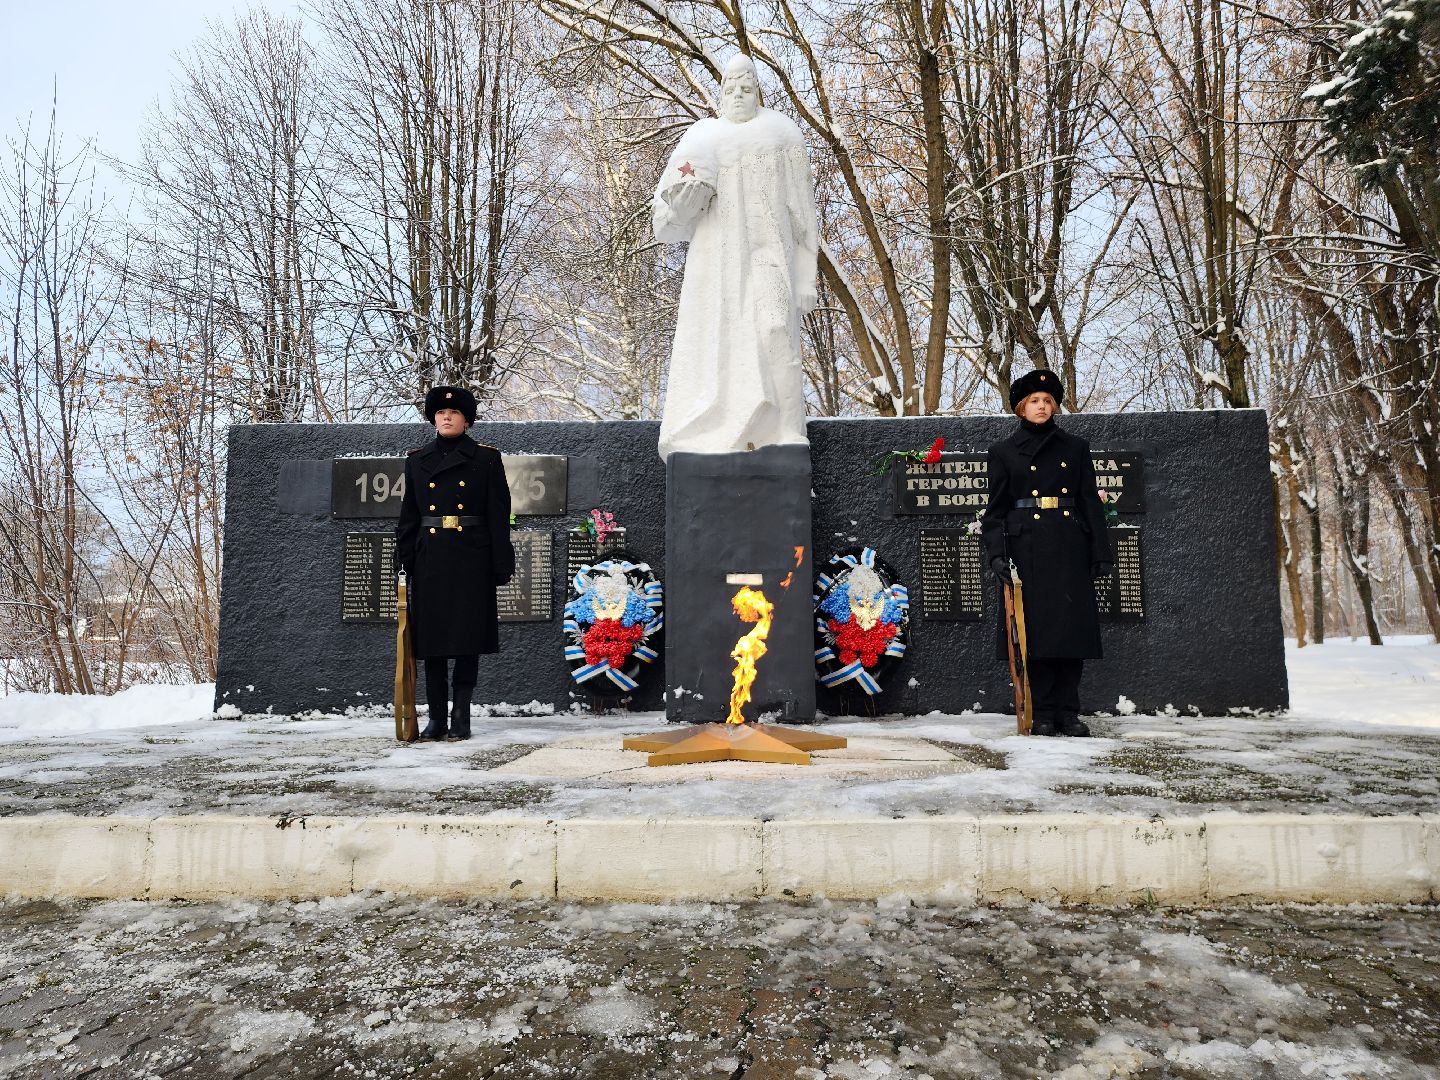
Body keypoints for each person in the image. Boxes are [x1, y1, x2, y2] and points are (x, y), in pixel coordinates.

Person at [653, 52, 818, 460]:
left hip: (769, 256)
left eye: (747, 88)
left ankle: (786, 431)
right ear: (721, 94)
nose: (740, 96)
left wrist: (806, 277)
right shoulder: (702, 138)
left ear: (758, 92)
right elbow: (665, 222)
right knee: (718, 346)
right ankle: (714, 434)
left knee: (776, 330)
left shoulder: (783, 134)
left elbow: (803, 215)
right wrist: (683, 202)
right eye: (732, 89)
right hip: (717, 266)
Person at [980, 370, 1113, 737]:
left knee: (1071, 633)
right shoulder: (1003, 452)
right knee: (1034, 634)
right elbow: (995, 511)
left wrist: (1099, 552)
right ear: (1021, 408)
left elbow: (1089, 502)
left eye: (1048, 401)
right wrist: (997, 555)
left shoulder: (1076, 447)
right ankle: (1040, 711)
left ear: (1054, 406)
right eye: (1034, 401)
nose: (1041, 406)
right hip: (1027, 550)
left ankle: (1068, 713)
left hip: (1069, 546)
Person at [395, 386, 515, 741]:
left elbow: (498, 514)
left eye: (454, 413)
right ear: (434, 419)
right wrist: (404, 560)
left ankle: (461, 716)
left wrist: (500, 561)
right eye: (440, 413)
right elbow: (409, 515)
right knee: (431, 644)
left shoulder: (486, 459)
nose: (446, 417)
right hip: (430, 560)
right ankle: (436, 719)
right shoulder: (417, 460)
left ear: (467, 421)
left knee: (466, 641)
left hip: (471, 559)